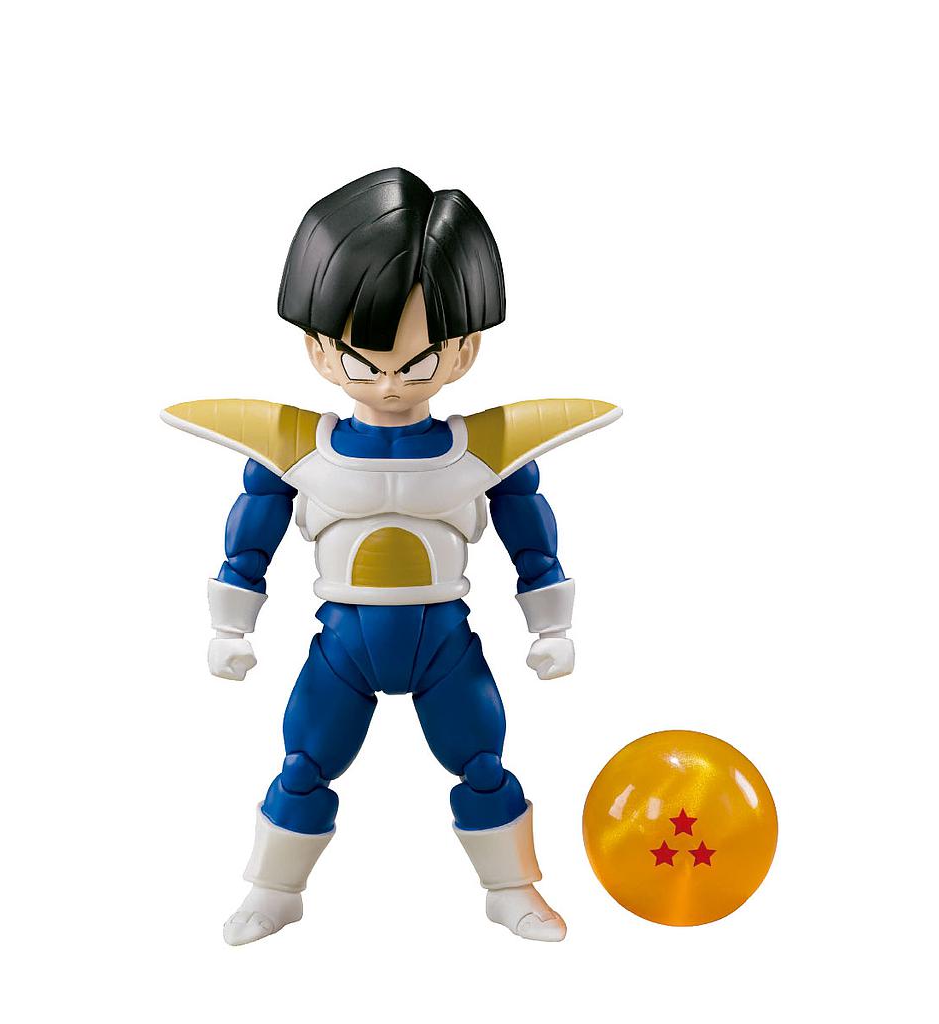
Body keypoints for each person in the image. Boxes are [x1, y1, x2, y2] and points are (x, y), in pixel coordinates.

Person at [163, 167, 620, 945]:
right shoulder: (296, 448)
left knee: (483, 766)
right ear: (318, 348)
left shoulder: (487, 448)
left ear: (465, 349)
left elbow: (530, 535)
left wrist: (551, 624)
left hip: (445, 644)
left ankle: (512, 890)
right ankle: (273, 891)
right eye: (363, 359)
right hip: (343, 645)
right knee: (303, 765)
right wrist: (230, 624)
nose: (389, 381)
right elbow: (251, 538)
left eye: (417, 361)